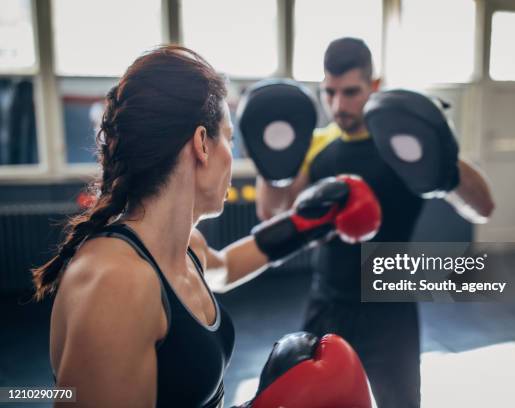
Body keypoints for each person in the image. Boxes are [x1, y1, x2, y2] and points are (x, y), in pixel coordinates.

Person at [31, 45, 380, 408]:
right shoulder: (117, 283)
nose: (233, 154)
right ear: (201, 143)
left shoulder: (185, 248)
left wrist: (308, 223)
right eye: (229, 139)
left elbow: (226, 268)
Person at [255, 37, 495, 407]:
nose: (339, 106)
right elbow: (272, 215)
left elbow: (482, 208)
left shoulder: (404, 144)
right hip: (328, 301)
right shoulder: (317, 146)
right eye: (329, 93)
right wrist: (273, 165)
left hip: (390, 308)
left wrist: (441, 147)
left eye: (351, 92)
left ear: (375, 86)